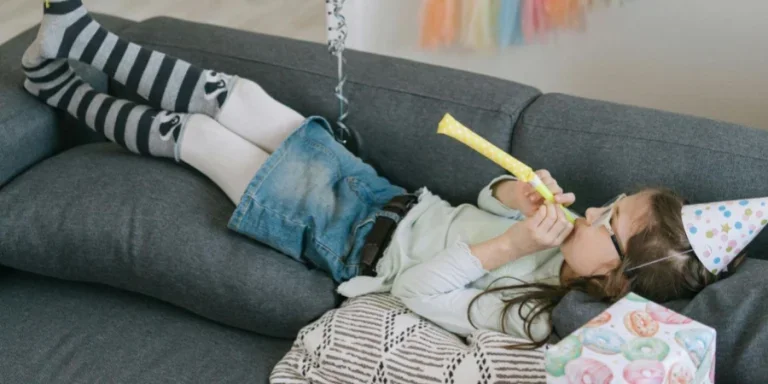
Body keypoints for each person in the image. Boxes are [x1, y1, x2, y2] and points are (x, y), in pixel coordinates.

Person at [23, 0, 753, 348]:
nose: (595, 211)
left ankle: (58, 86)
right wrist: (513, 195)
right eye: (612, 202)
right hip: (380, 193)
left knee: (199, 138)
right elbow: (475, 201)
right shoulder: (560, 234)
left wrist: (508, 246)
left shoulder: (527, 316)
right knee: (239, 97)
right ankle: (79, 43)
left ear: (614, 278)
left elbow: (415, 291)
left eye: (610, 222)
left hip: (345, 240)